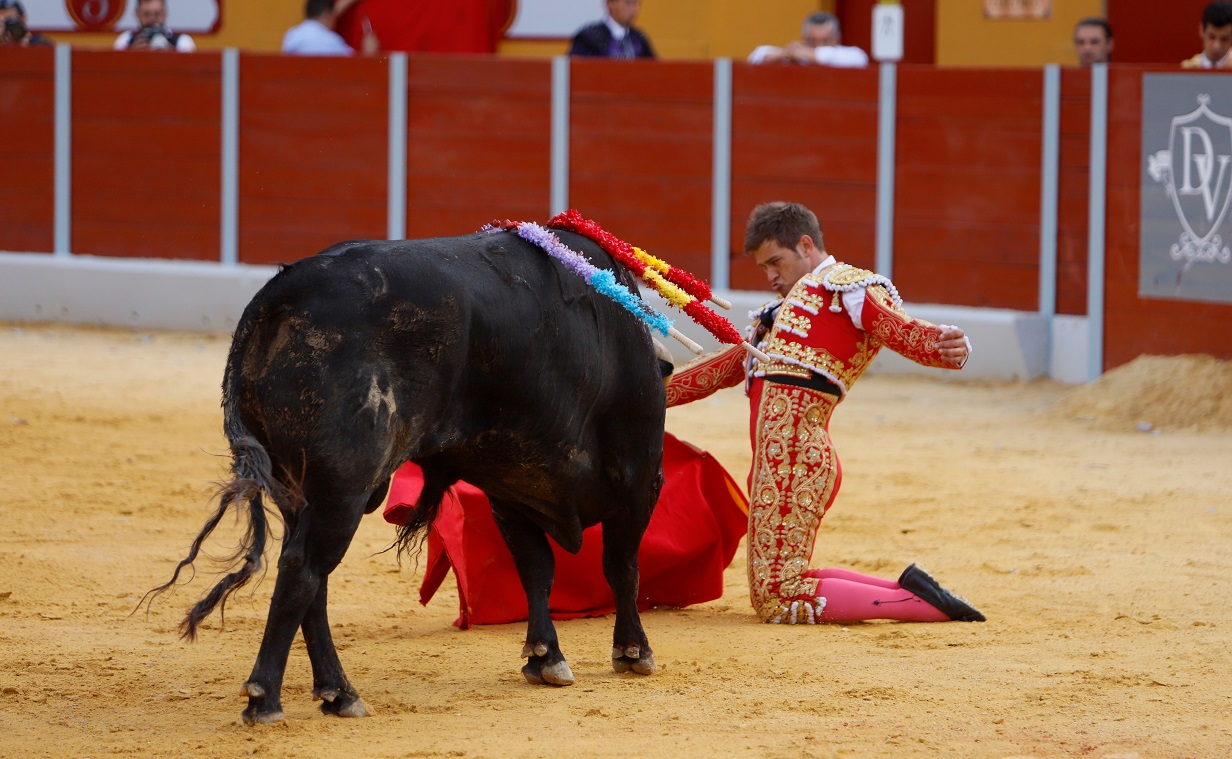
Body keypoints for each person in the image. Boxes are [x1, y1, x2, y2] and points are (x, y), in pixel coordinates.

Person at [664, 201, 985, 625]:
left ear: (806, 244)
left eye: (776, 261)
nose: (771, 276)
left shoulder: (846, 287)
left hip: (797, 459)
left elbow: (900, 329)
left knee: (777, 597)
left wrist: (945, 345)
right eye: (763, 268)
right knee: (784, 583)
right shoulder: (772, 319)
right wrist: (647, 392)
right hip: (775, 464)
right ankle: (909, 592)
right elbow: (721, 369)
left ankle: (923, 607)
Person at [747, 11, 868, 68]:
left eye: (825, 41)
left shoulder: (846, 55)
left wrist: (809, 54)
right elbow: (756, 57)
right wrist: (785, 54)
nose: (819, 45)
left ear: (837, 39)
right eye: (813, 41)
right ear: (804, 40)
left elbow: (860, 59)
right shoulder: (798, 56)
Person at [283, 0, 378, 57]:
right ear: (327, 16)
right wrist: (368, 52)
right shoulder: (329, 40)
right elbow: (355, 66)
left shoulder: (291, 35)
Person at [568, 0, 656, 59]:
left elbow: (655, 70)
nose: (635, 10)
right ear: (610, 4)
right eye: (628, 3)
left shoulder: (639, 38)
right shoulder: (589, 37)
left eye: (637, 4)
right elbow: (574, 71)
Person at [113, 0, 195, 52]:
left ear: (165, 14)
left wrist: (172, 55)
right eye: (146, 14)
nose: (152, 19)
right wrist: (132, 54)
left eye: (157, 14)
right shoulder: (125, 40)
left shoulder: (182, 42)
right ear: (137, 14)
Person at [1183, 1, 1232, 69]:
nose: (1216, 46)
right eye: (1211, 37)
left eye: (1224, 39)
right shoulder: (1187, 69)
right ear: (1202, 30)